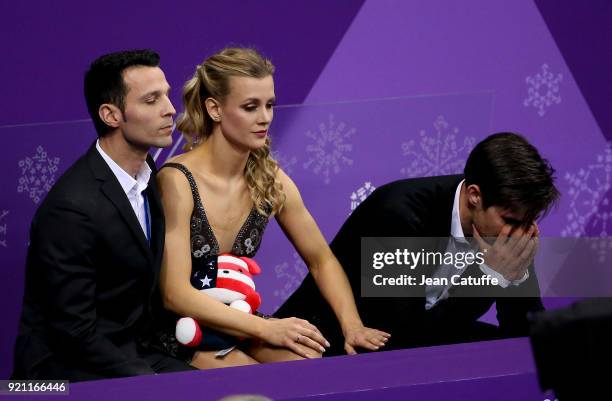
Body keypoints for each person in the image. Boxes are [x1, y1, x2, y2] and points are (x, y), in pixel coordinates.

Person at [156, 47, 390, 369]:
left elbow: (322, 260)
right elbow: (175, 294)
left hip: (239, 321)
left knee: (307, 369)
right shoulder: (176, 179)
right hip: (181, 328)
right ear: (215, 109)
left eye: (269, 105)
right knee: (254, 379)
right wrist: (268, 328)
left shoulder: (270, 179)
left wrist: (352, 326)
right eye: (250, 107)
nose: (264, 118)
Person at [277, 132, 560, 354]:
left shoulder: (511, 227)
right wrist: (489, 276)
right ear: (475, 195)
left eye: (528, 222)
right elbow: (404, 339)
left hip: (426, 332)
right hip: (335, 342)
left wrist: (509, 273)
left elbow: (522, 329)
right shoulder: (400, 216)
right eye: (510, 220)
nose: (519, 233)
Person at [12, 49, 193, 381]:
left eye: (166, 95)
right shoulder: (71, 209)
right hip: (60, 373)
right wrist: (146, 380)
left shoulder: (148, 171)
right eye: (152, 100)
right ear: (111, 115)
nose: (170, 110)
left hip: (136, 349)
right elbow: (73, 330)